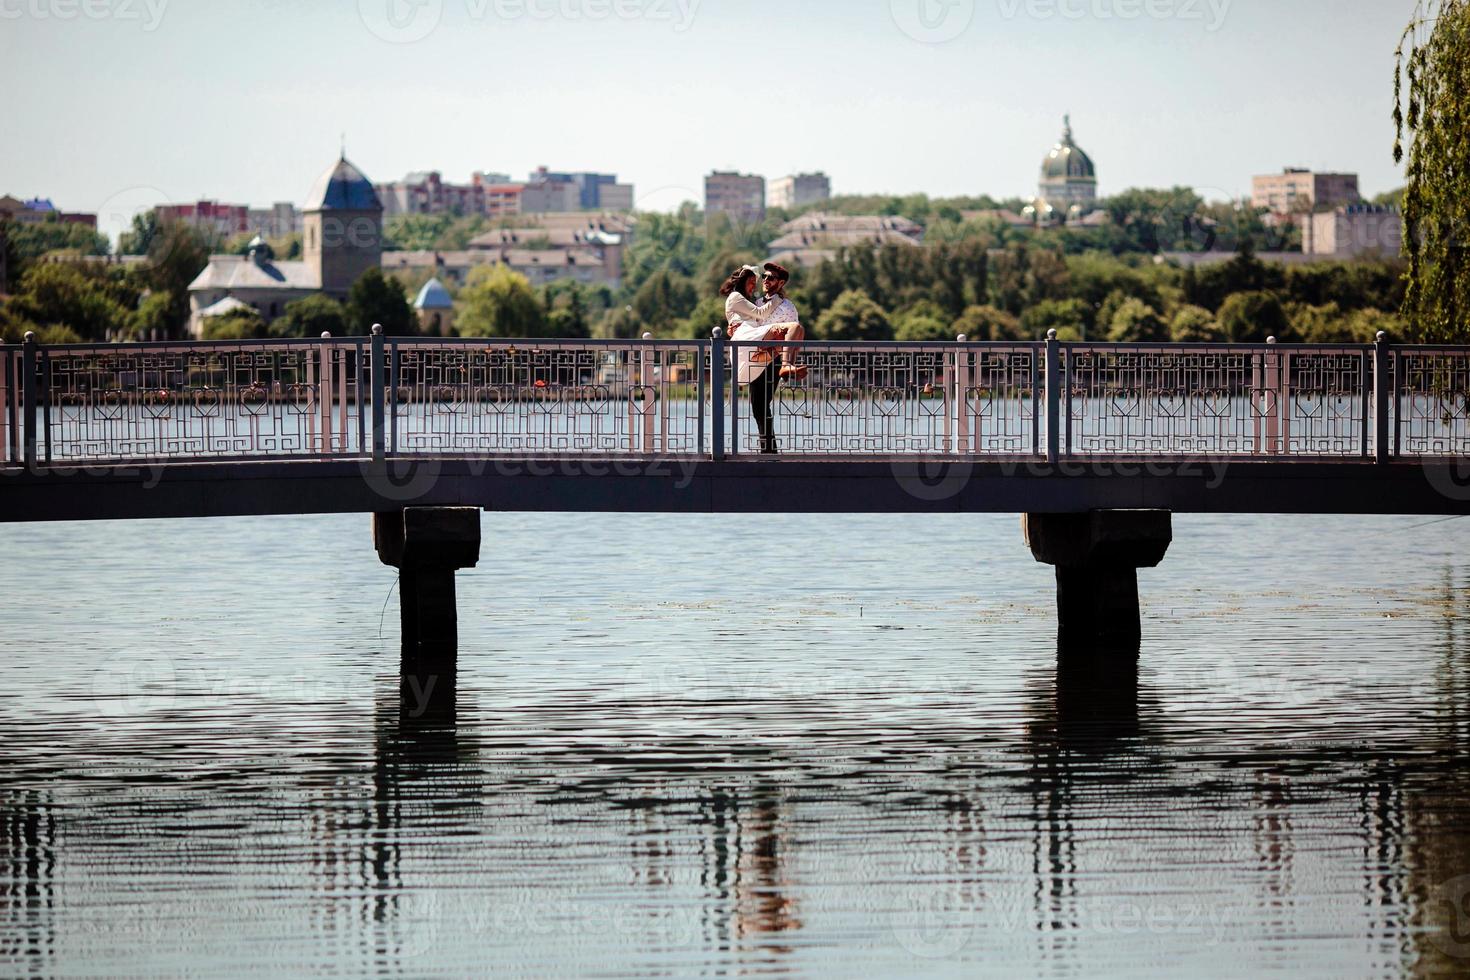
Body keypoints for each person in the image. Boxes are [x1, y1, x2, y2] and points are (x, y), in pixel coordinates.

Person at [718, 263, 805, 454]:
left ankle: (768, 449)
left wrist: (783, 352)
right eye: (764, 277)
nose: (765, 280)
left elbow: (793, 336)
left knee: (762, 402)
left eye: (771, 278)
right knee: (758, 404)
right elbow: (749, 321)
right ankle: (768, 448)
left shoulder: (788, 307)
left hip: (773, 357)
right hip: (755, 354)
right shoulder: (757, 303)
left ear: (780, 283)